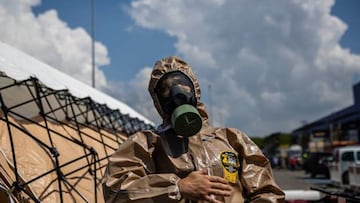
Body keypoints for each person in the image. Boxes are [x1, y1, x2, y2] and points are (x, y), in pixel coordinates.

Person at [102, 56, 285, 203]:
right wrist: (178, 187)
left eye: (183, 85)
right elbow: (116, 190)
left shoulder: (231, 139)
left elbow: (267, 192)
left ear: (195, 90)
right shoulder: (146, 144)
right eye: (165, 89)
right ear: (158, 100)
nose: (177, 94)